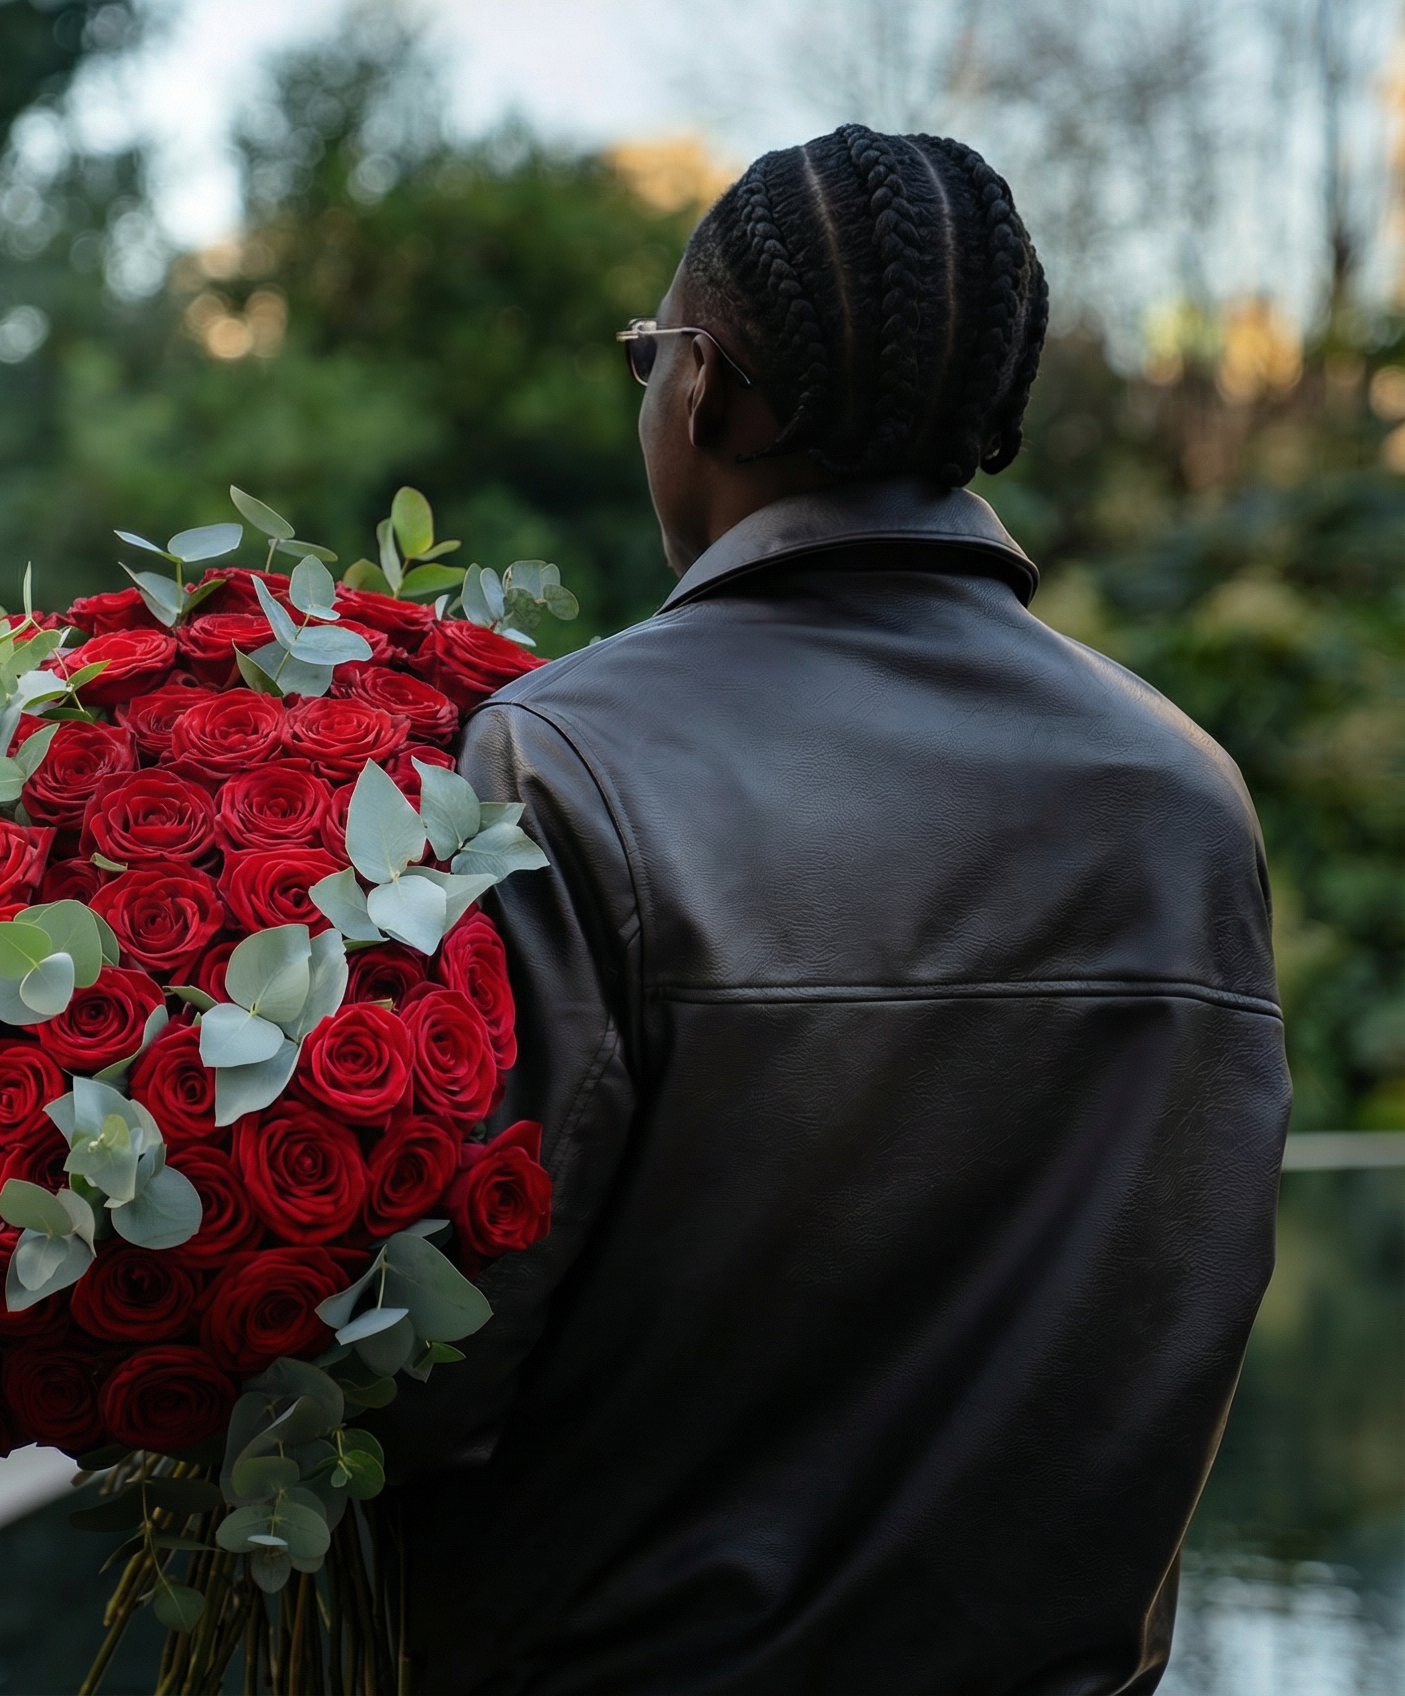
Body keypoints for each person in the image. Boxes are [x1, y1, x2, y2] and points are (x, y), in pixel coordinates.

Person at [384, 126, 1289, 1694]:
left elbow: (448, 1349)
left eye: (647, 355)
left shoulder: (573, 758)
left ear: (711, 385)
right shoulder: (1186, 797)